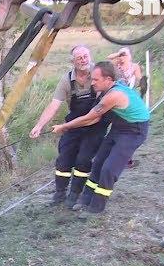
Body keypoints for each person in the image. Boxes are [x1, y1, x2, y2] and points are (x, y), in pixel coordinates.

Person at [52, 61, 150, 217]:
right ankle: (85, 199)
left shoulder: (113, 95)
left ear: (109, 80)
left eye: (96, 80)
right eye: (92, 79)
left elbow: (90, 119)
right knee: (98, 162)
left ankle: (97, 207)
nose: (92, 82)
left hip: (134, 130)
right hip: (119, 127)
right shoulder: (108, 89)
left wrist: (64, 127)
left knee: (109, 169)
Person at [30, 45, 111, 208]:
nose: (83, 59)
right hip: (74, 123)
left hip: (96, 124)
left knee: (83, 159)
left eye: (86, 55)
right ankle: (60, 193)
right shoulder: (67, 80)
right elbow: (54, 105)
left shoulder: (98, 74)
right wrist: (39, 125)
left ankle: (75, 194)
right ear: (72, 61)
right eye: (79, 57)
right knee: (64, 159)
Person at [108, 47, 145, 168]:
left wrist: (142, 89)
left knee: (128, 130)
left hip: (129, 99)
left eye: (125, 54)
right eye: (121, 55)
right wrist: (118, 54)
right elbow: (107, 60)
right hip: (115, 100)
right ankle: (116, 155)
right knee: (116, 128)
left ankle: (127, 159)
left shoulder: (134, 66)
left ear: (130, 56)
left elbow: (140, 81)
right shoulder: (115, 65)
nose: (122, 57)